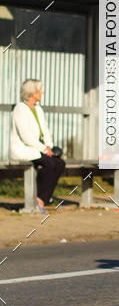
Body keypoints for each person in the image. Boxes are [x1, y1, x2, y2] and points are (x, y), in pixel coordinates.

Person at [9, 78, 65, 213]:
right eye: (39, 90)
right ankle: (39, 199)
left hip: (38, 150)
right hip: (24, 149)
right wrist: (44, 149)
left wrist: (49, 146)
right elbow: (26, 136)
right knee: (50, 164)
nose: (42, 92)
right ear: (32, 92)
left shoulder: (38, 109)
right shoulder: (20, 109)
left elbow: (45, 130)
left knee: (59, 163)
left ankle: (42, 198)